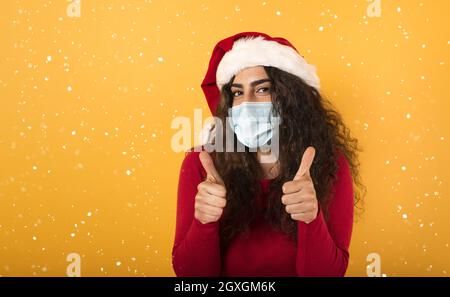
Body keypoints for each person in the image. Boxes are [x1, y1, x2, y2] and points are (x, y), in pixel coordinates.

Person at [172, 32, 365, 276]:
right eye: (237, 93)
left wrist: (310, 219)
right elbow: (190, 278)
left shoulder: (330, 164)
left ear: (292, 99)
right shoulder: (201, 164)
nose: (247, 104)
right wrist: (203, 222)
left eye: (263, 89)